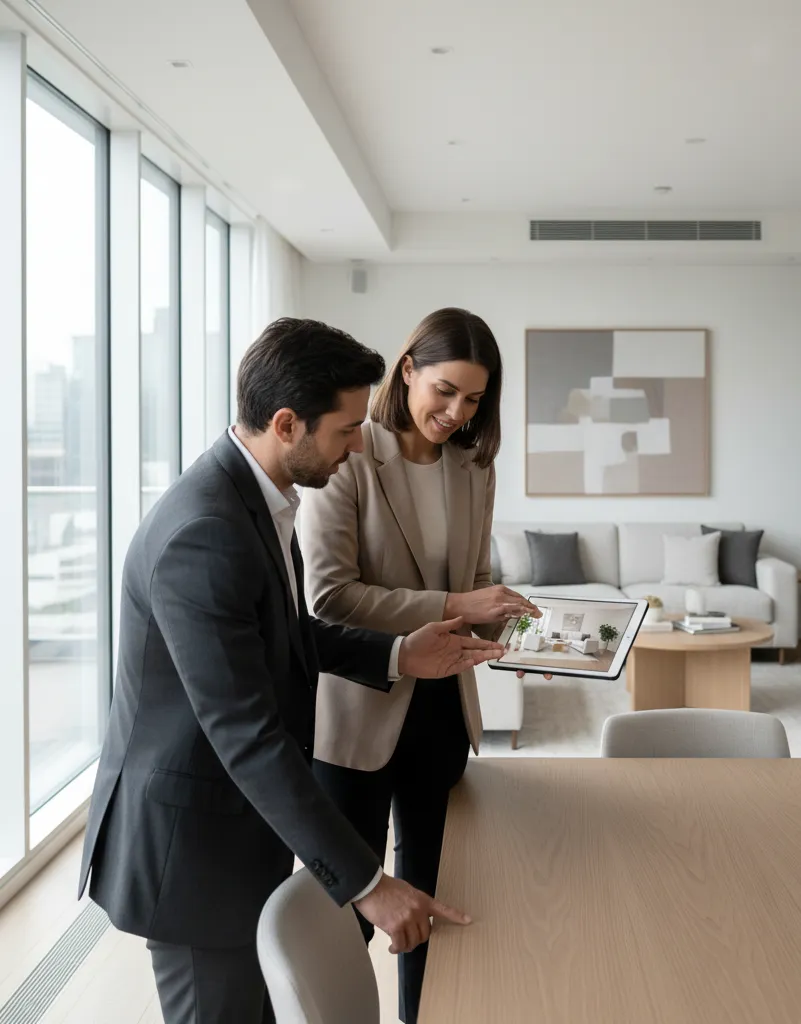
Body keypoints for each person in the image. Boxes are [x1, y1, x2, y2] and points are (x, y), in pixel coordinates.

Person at [78, 318, 504, 1024]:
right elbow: (245, 733)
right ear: (286, 424)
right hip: (191, 854)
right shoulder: (207, 533)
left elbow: (288, 635)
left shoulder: (258, 499)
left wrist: (399, 653)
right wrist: (369, 881)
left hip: (236, 835)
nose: (357, 443)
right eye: (344, 430)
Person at [300, 307, 539, 1022]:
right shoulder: (349, 452)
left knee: (436, 899)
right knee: (348, 909)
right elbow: (328, 597)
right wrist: (456, 600)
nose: (455, 412)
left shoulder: (473, 466)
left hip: (441, 710)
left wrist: (520, 629)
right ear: (407, 371)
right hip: (356, 716)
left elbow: (470, 584)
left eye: (473, 399)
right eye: (445, 390)